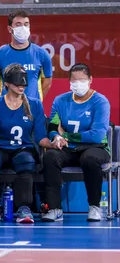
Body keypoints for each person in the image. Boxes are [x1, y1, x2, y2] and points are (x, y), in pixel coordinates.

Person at [0, 63, 57, 224]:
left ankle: (24, 208)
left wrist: (53, 144)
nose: (21, 86)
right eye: (17, 83)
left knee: (26, 161)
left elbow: (40, 137)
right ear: (7, 83)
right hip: (0, 148)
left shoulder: (35, 104)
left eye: (24, 83)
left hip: (23, 148)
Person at [41, 63, 111, 222]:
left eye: (82, 80)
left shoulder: (100, 102)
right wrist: (56, 136)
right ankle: (54, 208)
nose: (78, 84)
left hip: (95, 148)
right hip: (68, 148)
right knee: (50, 157)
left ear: (90, 80)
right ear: (69, 81)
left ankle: (94, 207)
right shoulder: (60, 101)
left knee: (89, 159)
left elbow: (96, 136)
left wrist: (65, 135)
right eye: (74, 81)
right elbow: (52, 126)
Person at [0, 10, 53, 101]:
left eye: (26, 24)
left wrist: (34, 101)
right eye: (18, 25)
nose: (23, 28)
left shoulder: (42, 54)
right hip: (7, 109)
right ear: (10, 29)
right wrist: (8, 99)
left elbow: (47, 84)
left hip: (32, 110)